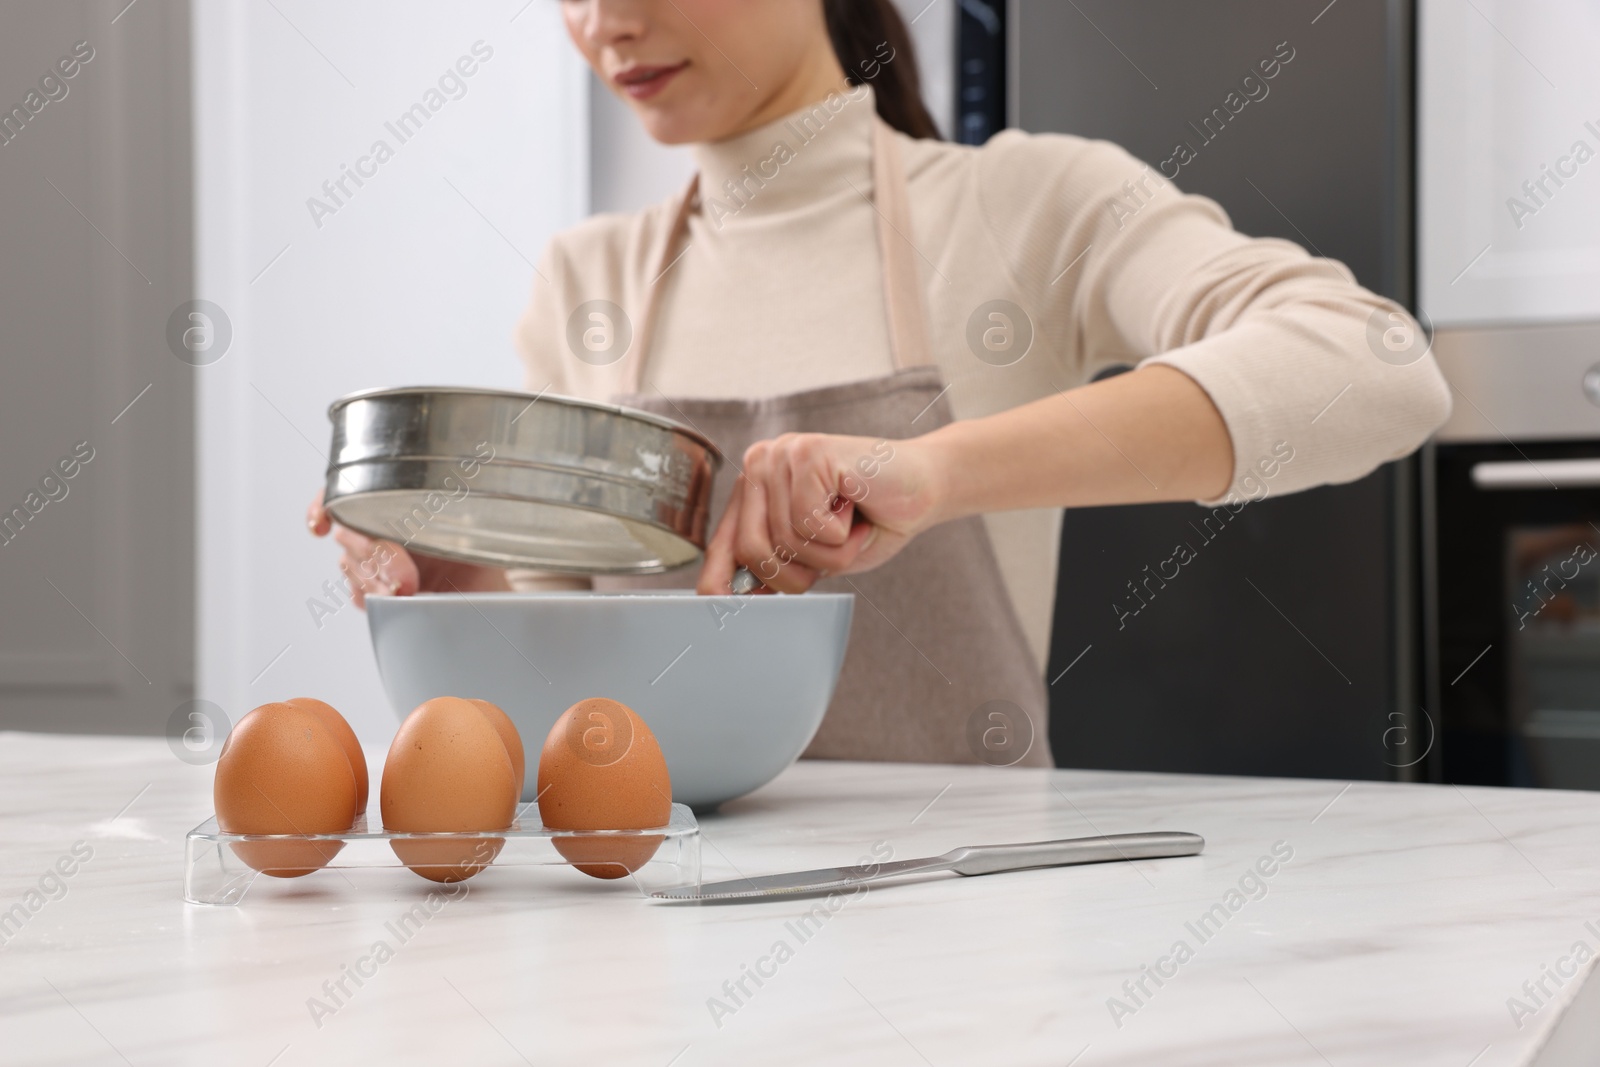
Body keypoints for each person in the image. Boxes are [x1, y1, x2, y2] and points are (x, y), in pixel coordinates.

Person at [311, 0, 1450, 767]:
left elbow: (1377, 368)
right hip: (661, 951)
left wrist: (931, 470)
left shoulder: (1022, 205)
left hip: (978, 938)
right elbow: (562, 737)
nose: (605, 21)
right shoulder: (585, 281)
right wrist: (463, 581)